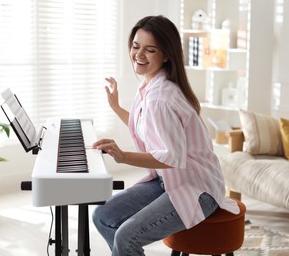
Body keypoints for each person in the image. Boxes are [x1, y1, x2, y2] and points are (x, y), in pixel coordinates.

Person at [92, 15, 240, 256]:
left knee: (126, 236)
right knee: (102, 216)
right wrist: (116, 107)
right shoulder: (151, 87)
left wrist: (123, 156)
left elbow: (172, 157)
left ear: (166, 55)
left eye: (150, 50)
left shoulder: (161, 97)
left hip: (196, 188)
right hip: (167, 181)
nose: (139, 55)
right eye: (136, 46)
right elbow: (144, 124)